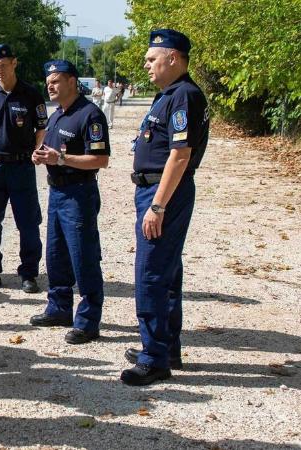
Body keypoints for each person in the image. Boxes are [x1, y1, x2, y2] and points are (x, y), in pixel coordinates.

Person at [121, 29, 209, 386]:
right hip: (157, 189)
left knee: (151, 274)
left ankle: (154, 358)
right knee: (167, 273)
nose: (146, 64)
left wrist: (157, 206)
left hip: (163, 192)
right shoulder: (169, 95)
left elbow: (180, 154)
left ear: (173, 58)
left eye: (152, 58)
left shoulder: (184, 95)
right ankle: (165, 347)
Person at [31, 60, 110, 344]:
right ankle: (59, 307)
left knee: (83, 257)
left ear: (72, 82)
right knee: (56, 255)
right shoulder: (57, 115)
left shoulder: (90, 115)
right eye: (48, 82)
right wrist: (41, 155)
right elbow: (51, 149)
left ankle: (88, 321)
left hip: (79, 194)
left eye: (55, 81)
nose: (49, 86)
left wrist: (61, 159)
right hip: (57, 193)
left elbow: (100, 160)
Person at [0, 44, 47, 293]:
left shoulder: (30, 94)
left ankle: (29, 273)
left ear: (14, 63)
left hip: (21, 167)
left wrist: (28, 151)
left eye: (3, 66)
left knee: (27, 223)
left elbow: (41, 129)